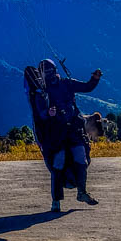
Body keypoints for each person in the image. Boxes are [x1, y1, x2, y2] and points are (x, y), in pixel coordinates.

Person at [30, 59, 103, 212]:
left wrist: (95, 79)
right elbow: (40, 113)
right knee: (58, 162)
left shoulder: (67, 84)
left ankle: (82, 193)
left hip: (74, 130)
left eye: (50, 71)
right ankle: (56, 201)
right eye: (46, 72)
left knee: (81, 158)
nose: (48, 74)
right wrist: (49, 114)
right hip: (56, 133)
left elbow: (87, 87)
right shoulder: (41, 92)